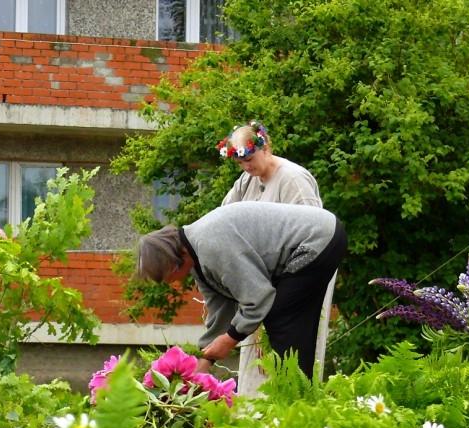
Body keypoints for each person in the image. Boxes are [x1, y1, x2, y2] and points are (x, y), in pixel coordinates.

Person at [135, 201, 346, 379]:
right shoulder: (197, 257)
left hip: (317, 240)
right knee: (291, 323)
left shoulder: (211, 246)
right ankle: (301, 395)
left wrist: (230, 339)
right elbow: (220, 309)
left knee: (281, 317)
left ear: (174, 263)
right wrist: (205, 360)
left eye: (166, 278)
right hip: (319, 237)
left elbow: (259, 298)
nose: (170, 283)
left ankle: (295, 398)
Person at [217, 121, 327, 392]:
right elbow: (224, 217)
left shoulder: (293, 178)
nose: (246, 167)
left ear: (265, 147)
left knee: (285, 358)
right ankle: (254, 418)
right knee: (255, 360)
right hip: (260, 282)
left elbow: (315, 234)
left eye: (250, 159)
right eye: (240, 162)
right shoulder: (247, 180)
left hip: (295, 280)